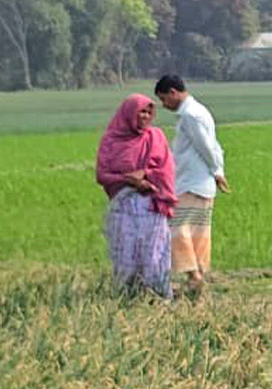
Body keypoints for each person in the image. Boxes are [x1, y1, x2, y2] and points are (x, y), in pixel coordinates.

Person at [95, 94, 177, 298]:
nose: (146, 116)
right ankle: (127, 295)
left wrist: (147, 175)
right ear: (129, 113)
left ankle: (157, 295)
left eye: (149, 112)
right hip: (124, 206)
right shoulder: (111, 140)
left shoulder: (155, 137)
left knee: (153, 252)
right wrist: (128, 180)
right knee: (126, 252)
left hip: (151, 205)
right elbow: (102, 174)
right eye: (142, 111)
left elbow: (167, 168)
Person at [154, 74, 227, 296]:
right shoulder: (197, 111)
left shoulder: (190, 116)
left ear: (173, 92)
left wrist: (217, 170)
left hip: (193, 182)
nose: (163, 105)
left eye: (163, 98)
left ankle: (194, 275)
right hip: (199, 181)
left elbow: (207, 147)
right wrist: (217, 171)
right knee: (198, 230)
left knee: (177, 228)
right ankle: (197, 276)